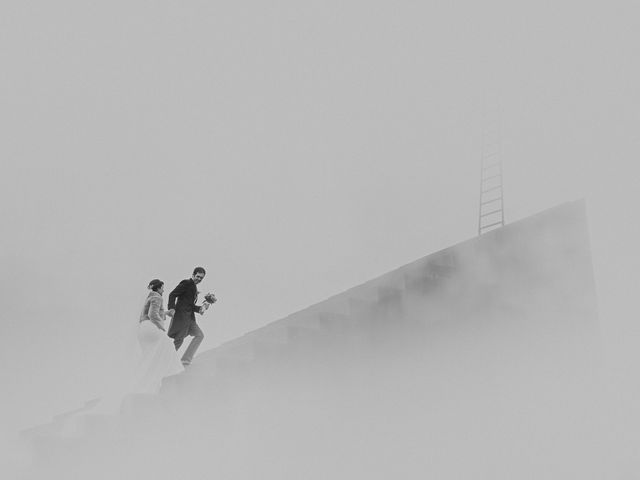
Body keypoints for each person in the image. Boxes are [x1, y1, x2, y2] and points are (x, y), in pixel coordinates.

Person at [136, 279, 184, 392]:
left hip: (143, 329)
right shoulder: (157, 297)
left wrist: (166, 313)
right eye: (162, 287)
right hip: (151, 328)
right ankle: (175, 375)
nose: (163, 290)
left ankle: (147, 382)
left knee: (150, 357)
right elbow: (152, 314)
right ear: (158, 288)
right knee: (168, 346)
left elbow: (151, 312)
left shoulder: (148, 297)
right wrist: (161, 328)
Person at [167, 267, 216, 366]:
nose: (199, 279)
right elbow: (172, 294)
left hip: (189, 319)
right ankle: (166, 360)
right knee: (178, 341)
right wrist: (171, 308)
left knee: (199, 335)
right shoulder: (186, 283)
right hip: (181, 318)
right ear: (193, 275)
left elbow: (190, 306)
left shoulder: (193, 287)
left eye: (201, 278)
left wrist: (201, 308)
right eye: (198, 276)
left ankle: (186, 359)